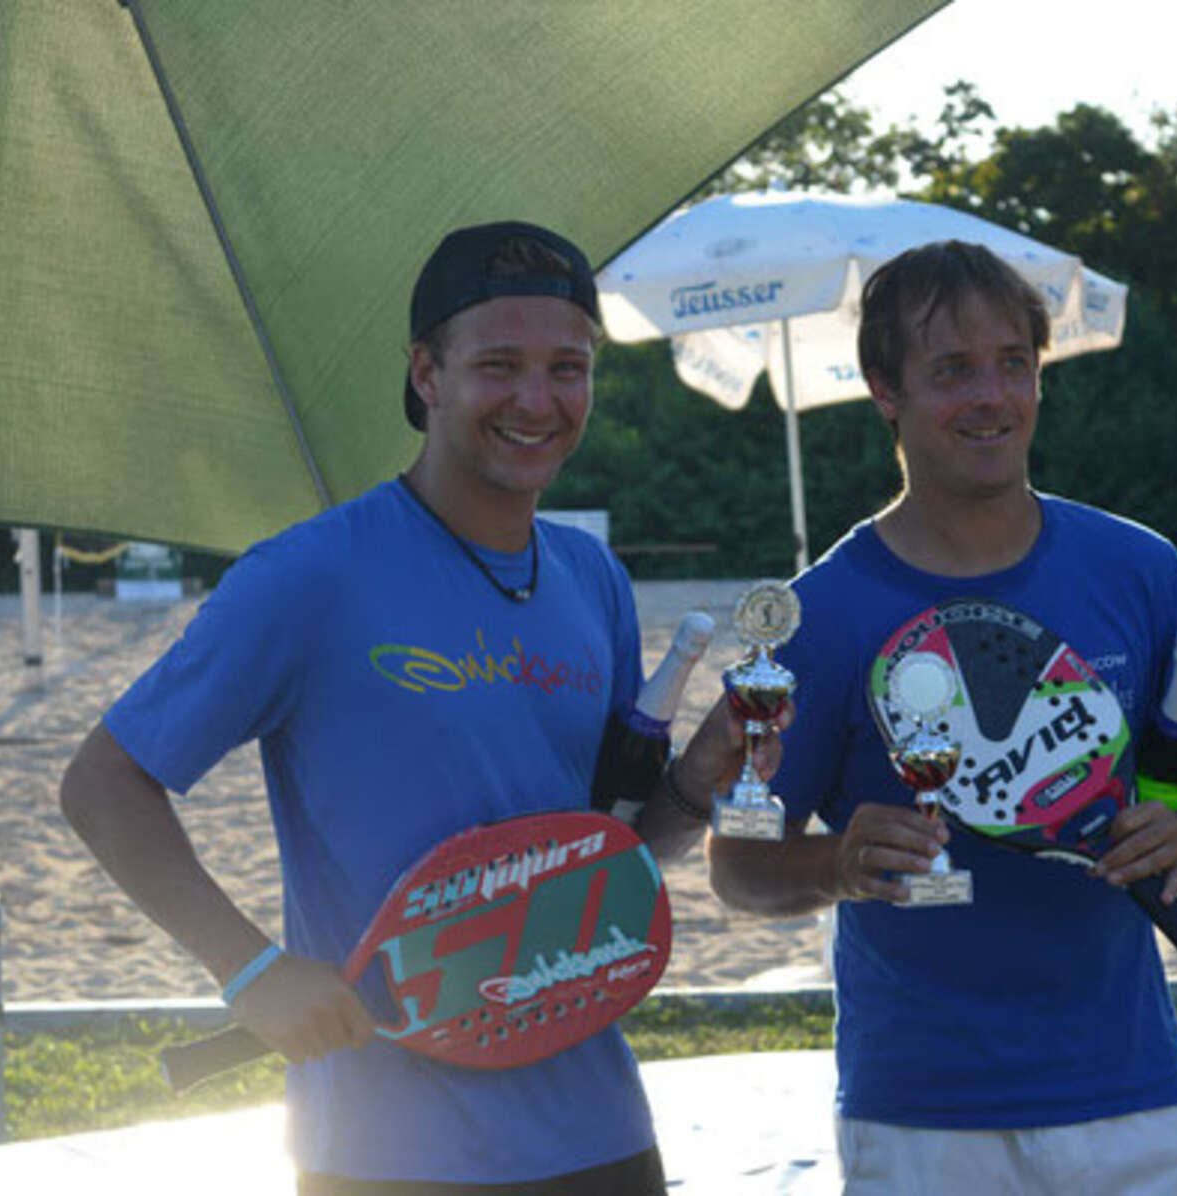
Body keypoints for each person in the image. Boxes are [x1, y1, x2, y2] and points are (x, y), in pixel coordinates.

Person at [61, 220, 765, 1195]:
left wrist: (697, 779)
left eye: (568, 368)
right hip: (384, 1153)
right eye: (499, 365)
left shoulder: (590, 576)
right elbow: (104, 783)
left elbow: (612, 856)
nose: (537, 400)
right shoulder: (309, 575)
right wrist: (251, 969)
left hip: (600, 1133)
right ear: (426, 373)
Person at [704, 240, 1177, 1195]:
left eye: (1013, 363)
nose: (992, 397)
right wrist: (837, 862)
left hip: (1135, 1097)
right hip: (920, 1117)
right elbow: (736, 866)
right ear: (884, 389)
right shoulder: (820, 616)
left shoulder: (1137, 567)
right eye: (952, 370)